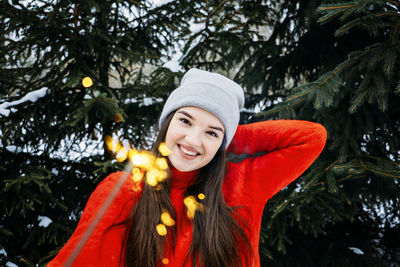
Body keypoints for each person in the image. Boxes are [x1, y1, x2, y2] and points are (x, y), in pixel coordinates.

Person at [48, 68, 327, 267]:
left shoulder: (243, 184)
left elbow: (311, 138)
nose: (192, 141)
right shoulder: (123, 189)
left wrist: (225, 136)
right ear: (166, 122)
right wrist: (216, 134)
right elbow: (79, 258)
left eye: (210, 132)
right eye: (185, 121)